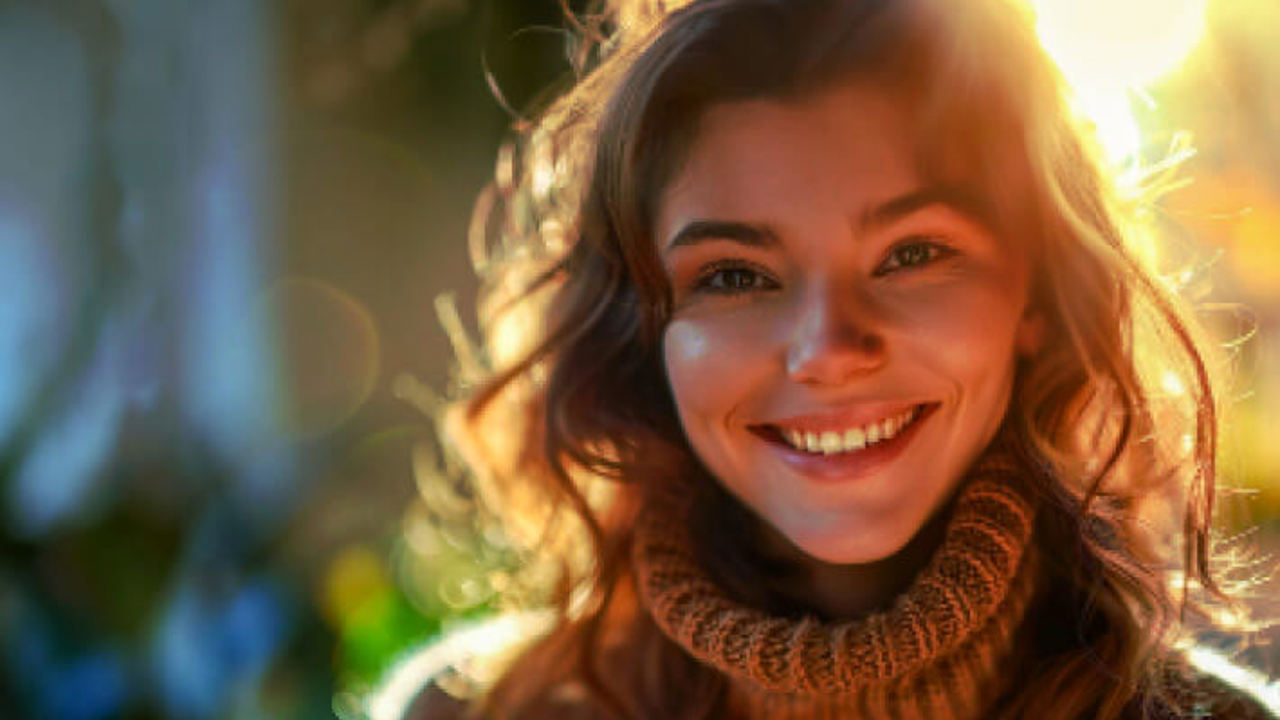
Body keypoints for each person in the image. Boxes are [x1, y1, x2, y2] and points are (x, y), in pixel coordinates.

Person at [396, 0, 1278, 717]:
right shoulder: (478, 712)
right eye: (736, 274)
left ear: (1037, 299)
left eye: (912, 253)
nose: (828, 352)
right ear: (643, 331)